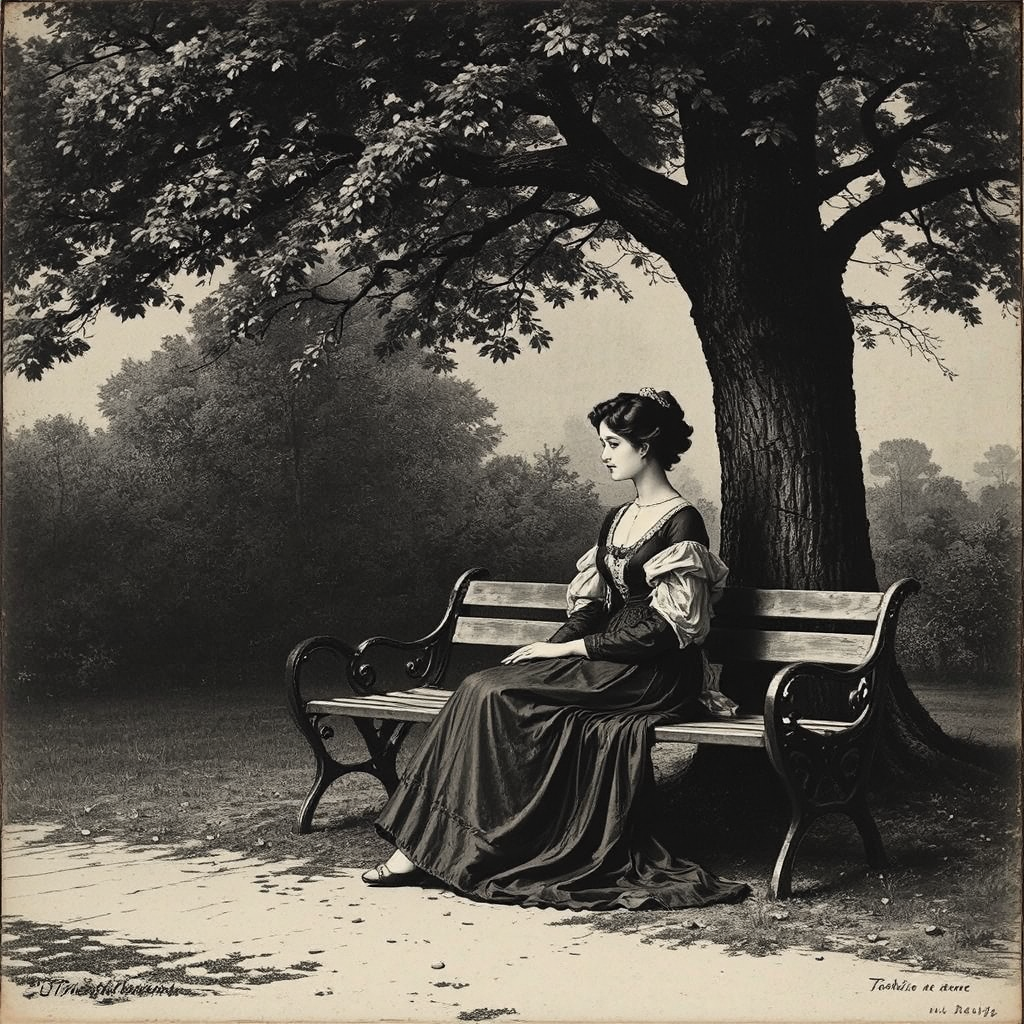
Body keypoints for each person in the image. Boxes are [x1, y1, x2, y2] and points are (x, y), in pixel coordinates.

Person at [362, 388, 751, 910]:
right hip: (607, 655)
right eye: (603, 443)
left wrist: (568, 654)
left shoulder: (684, 522)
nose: (605, 454)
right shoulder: (616, 517)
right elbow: (593, 608)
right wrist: (547, 647)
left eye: (613, 443)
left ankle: (460, 844)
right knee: (482, 687)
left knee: (493, 693)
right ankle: (433, 843)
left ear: (646, 447)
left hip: (653, 669)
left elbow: (665, 630)